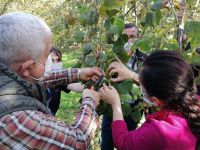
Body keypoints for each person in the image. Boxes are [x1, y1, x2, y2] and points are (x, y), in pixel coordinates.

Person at [0, 12, 103, 149]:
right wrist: (90, 102)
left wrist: (78, 73)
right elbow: (78, 140)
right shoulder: (17, 120)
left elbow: (33, 80)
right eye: (46, 56)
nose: (51, 61)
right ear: (28, 68)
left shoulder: (9, 75)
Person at [100, 50, 200, 150]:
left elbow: (123, 143)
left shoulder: (159, 131)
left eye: (143, 88)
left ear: (155, 101)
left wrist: (115, 104)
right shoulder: (192, 101)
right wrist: (132, 75)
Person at [101, 23, 147, 150]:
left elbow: (149, 85)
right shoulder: (111, 58)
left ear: (137, 38)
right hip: (110, 109)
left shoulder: (144, 60)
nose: (128, 40)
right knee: (106, 143)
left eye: (132, 36)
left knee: (128, 144)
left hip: (132, 109)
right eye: (125, 37)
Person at [46, 47, 84, 115]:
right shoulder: (39, 79)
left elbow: (74, 86)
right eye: (52, 60)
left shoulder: (59, 79)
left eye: (58, 60)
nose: (56, 63)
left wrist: (92, 87)